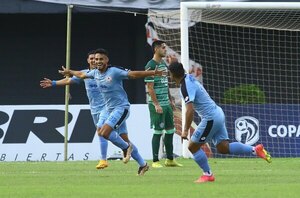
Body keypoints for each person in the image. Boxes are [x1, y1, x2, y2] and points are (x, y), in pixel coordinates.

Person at [58, 48, 165, 175]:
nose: (98, 61)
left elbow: (133, 74)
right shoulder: (95, 73)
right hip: (109, 110)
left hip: (121, 108)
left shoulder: (114, 72)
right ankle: (143, 164)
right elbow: (81, 75)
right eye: (96, 59)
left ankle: (125, 148)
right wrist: (69, 71)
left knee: (104, 132)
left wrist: (152, 72)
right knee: (118, 136)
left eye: (101, 59)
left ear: (107, 60)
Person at [168, 61, 272, 183]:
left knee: (192, 146)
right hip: (217, 113)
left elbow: (189, 110)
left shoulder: (185, 86)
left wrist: (185, 130)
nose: (169, 76)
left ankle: (207, 174)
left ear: (173, 74)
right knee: (223, 148)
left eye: (169, 73)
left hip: (210, 118)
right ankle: (255, 150)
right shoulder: (189, 78)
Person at [40, 50, 109, 169]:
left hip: (107, 107)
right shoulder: (83, 74)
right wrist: (54, 83)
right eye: (91, 58)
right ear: (88, 60)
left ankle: (103, 159)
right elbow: (69, 80)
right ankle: (129, 149)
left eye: (96, 58)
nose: (94, 60)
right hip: (94, 109)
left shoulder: (107, 73)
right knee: (120, 134)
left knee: (100, 129)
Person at [145, 40, 182, 168]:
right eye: (163, 47)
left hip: (166, 103)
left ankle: (170, 159)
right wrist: (156, 104)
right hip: (157, 104)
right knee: (158, 131)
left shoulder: (164, 65)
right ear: (156, 49)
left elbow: (165, 84)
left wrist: (171, 99)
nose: (165, 50)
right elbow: (150, 88)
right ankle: (155, 161)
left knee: (170, 130)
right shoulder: (150, 65)